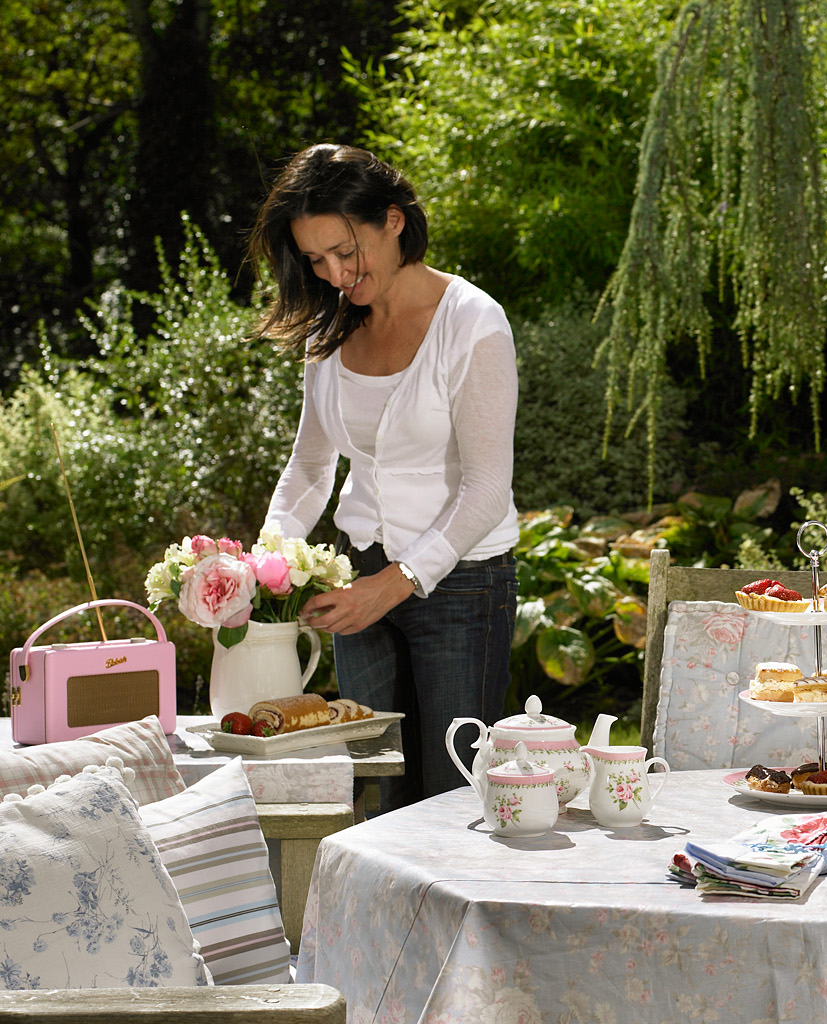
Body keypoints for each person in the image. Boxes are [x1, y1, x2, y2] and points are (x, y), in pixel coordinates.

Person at [249, 143, 518, 809]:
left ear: (393, 221)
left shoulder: (472, 324)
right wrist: (263, 567)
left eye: (346, 251)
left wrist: (392, 586)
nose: (336, 273)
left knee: (451, 796)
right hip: (357, 578)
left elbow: (486, 488)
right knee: (372, 792)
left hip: (462, 587)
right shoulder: (329, 329)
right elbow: (310, 468)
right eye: (316, 259)